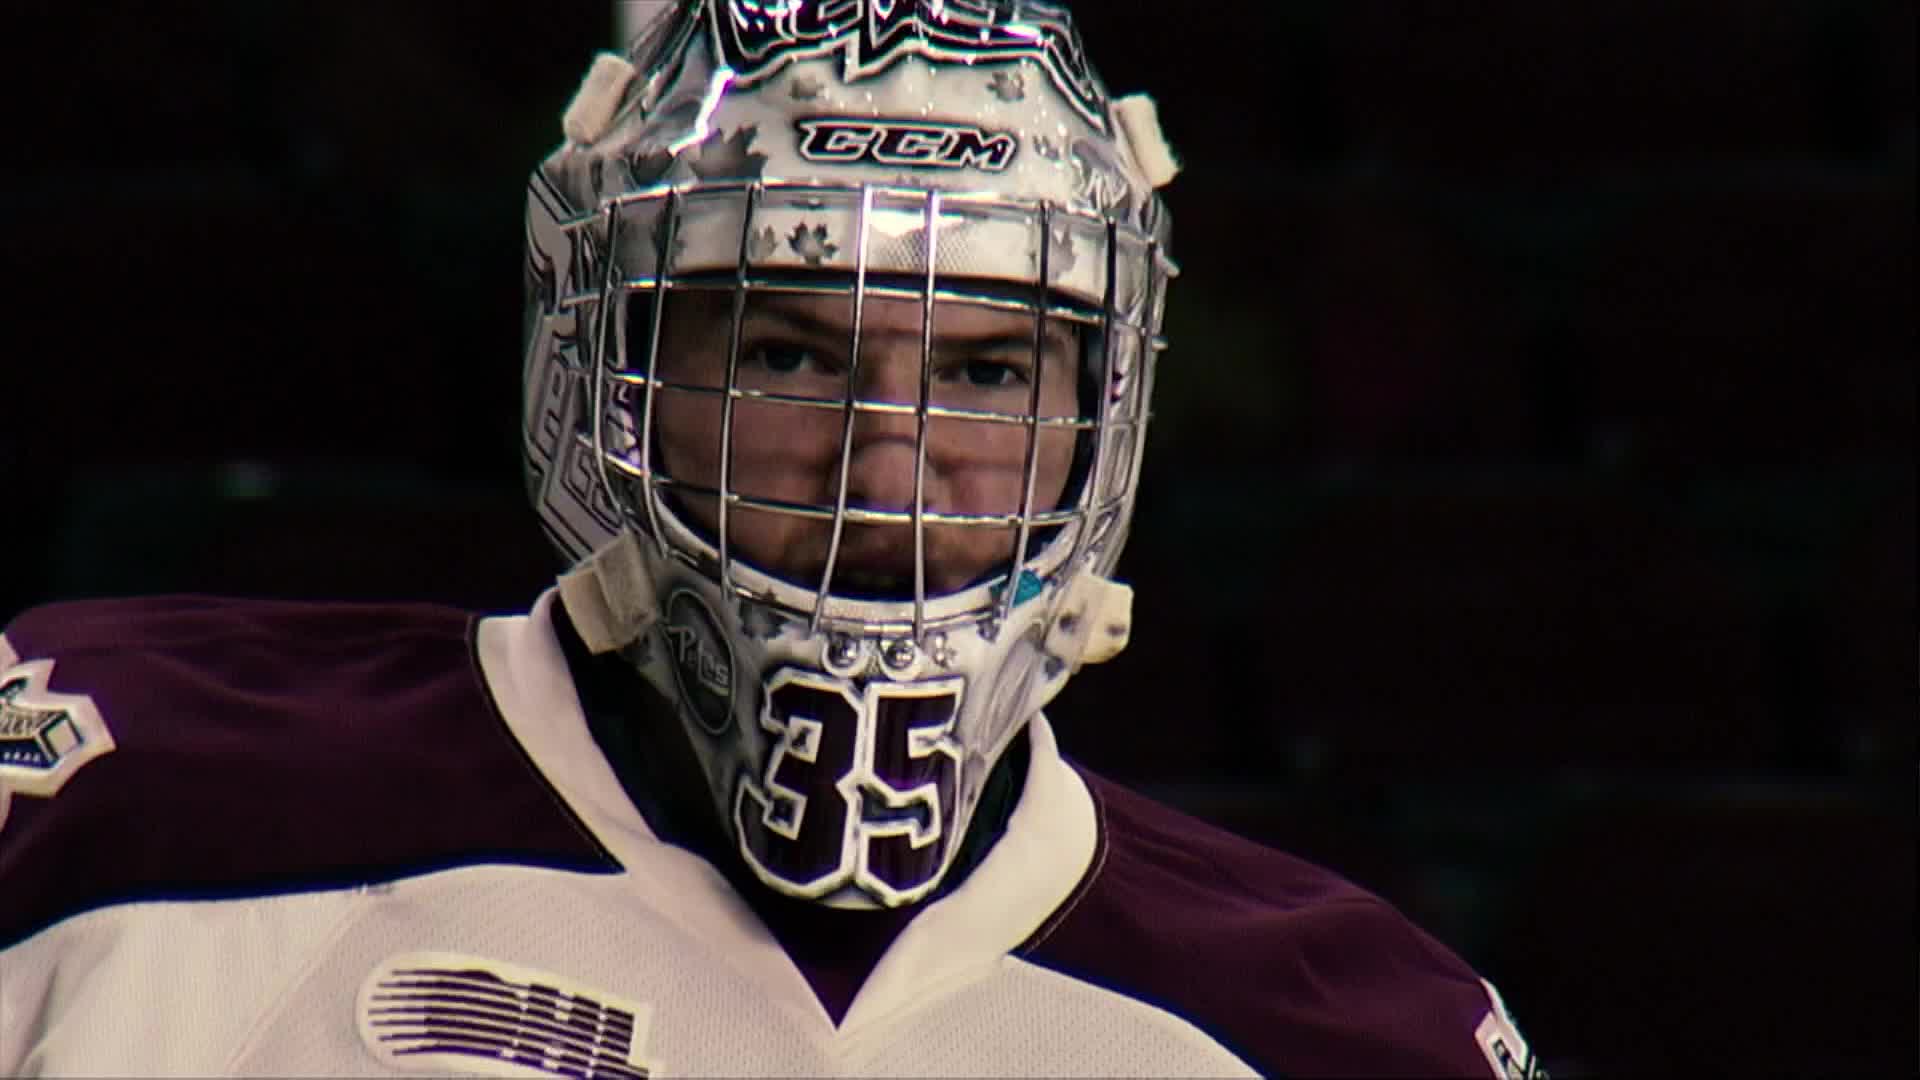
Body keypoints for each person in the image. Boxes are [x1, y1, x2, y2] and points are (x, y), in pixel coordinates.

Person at [0, 2, 1545, 1075]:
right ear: (606, 381)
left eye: (986, 369)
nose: (888, 457)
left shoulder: (1349, 1035)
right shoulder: (112, 815)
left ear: (1107, 411)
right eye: (788, 357)